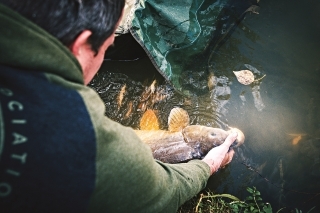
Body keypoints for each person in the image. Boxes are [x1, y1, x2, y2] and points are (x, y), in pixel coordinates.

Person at [0, 0, 237, 212]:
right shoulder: (87, 140)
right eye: (107, 47)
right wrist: (208, 166)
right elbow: (164, 192)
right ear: (81, 44)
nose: (105, 53)